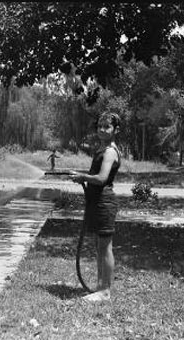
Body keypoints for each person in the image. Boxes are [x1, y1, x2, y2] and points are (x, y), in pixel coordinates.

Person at [69, 112, 121, 302]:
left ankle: (105, 291)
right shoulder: (102, 148)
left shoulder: (110, 152)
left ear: (116, 130)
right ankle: (100, 287)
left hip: (104, 202)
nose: (102, 129)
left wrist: (83, 177)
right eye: (100, 126)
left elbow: (101, 178)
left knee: (106, 246)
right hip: (97, 202)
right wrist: (83, 177)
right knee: (100, 246)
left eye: (107, 126)